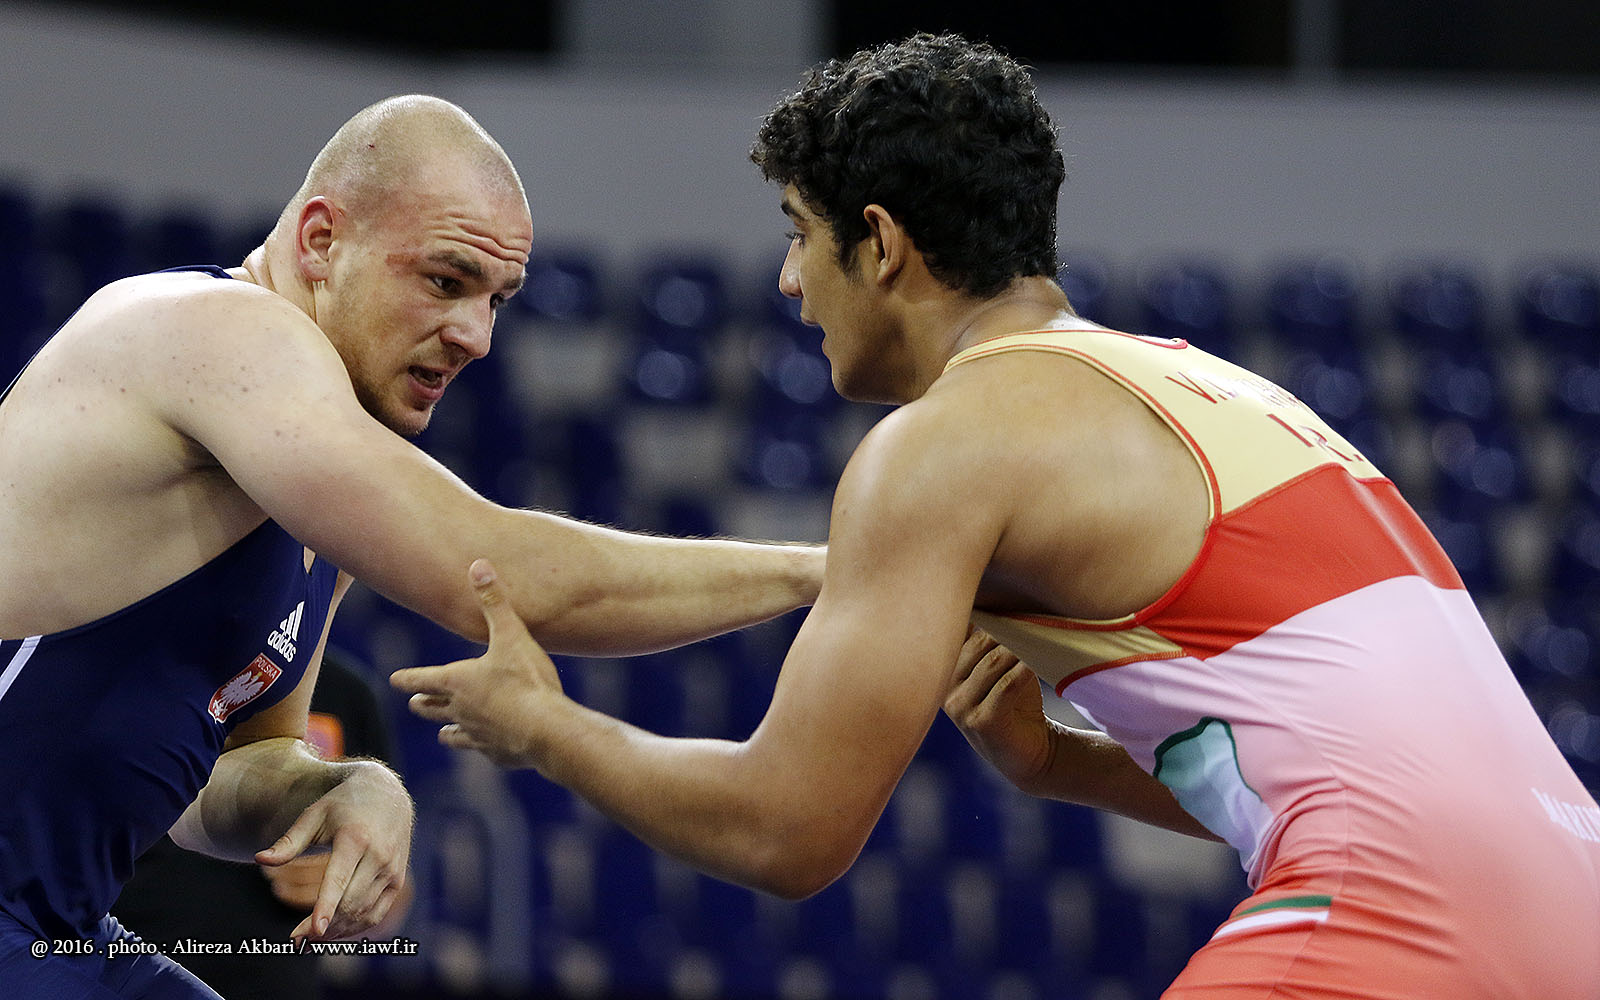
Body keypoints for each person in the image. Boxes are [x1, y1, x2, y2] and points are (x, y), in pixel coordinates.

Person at [391, 34, 1600, 999]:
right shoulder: (1224, 392)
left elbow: (785, 831)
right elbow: (1342, 767)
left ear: (880, 243)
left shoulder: (946, 444)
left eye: (799, 235)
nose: (787, 280)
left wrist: (547, 729)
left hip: (1391, 914)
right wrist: (1051, 760)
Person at [0, 94, 821, 999]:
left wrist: (340, 787)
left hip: (58, 925)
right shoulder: (213, 330)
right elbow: (504, 581)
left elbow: (223, 777)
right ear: (320, 242)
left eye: (497, 299)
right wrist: (827, 571)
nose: (477, 336)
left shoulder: (313, 482)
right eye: (445, 281)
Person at [113, 651, 409, 1000]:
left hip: (273, 984)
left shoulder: (347, 693)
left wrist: (347, 879)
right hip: (128, 972)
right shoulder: (137, 668)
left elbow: (393, 887)